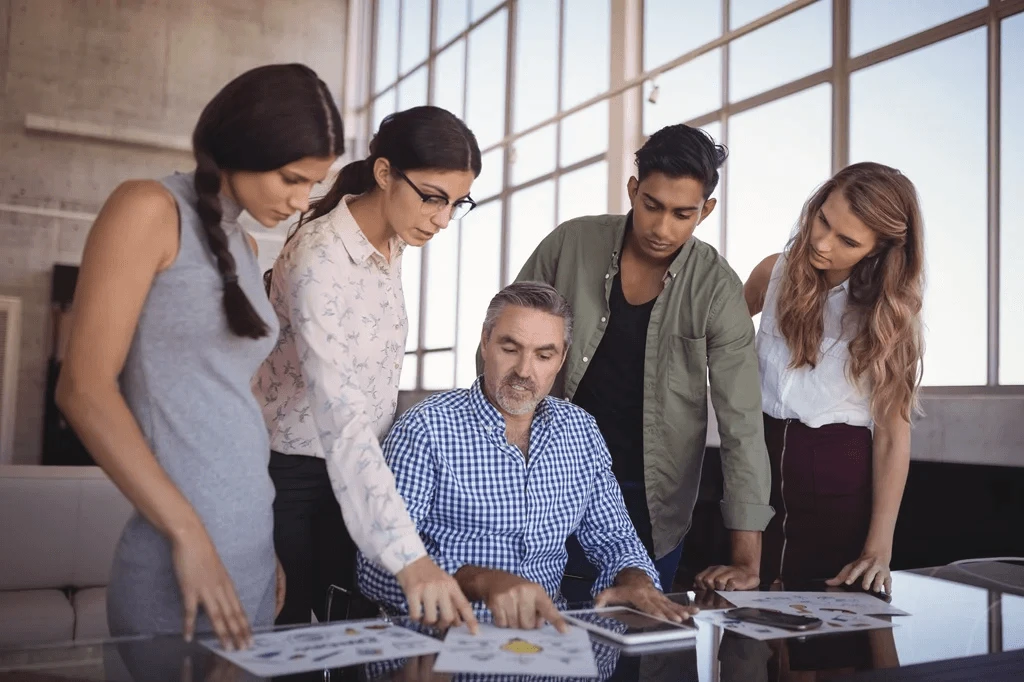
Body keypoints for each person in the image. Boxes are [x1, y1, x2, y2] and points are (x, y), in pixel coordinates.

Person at [56, 63, 344, 649]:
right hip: (182, 556)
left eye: (313, 184)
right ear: (240, 146)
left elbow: (225, 407)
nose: (300, 201)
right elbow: (82, 388)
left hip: (251, 550)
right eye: (291, 179)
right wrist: (190, 534)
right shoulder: (148, 208)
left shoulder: (238, 241)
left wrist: (259, 541)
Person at [505, 124, 774, 595]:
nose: (662, 227)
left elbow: (743, 423)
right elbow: (503, 348)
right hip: (544, 487)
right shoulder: (570, 245)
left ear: (705, 211)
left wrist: (747, 563)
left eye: (682, 213)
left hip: (653, 506)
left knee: (642, 658)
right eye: (651, 205)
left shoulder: (716, 288)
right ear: (633, 189)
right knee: (532, 650)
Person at [253, 106, 482, 631]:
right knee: (290, 643)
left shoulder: (394, 239)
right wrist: (409, 556)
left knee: (357, 633)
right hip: (288, 474)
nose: (444, 219)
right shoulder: (318, 258)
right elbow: (341, 412)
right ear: (385, 174)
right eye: (432, 196)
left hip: (356, 471)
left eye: (456, 202)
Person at [358, 282, 697, 629]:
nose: (524, 371)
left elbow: (615, 538)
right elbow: (374, 568)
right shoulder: (425, 428)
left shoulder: (579, 431)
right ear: (485, 343)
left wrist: (635, 579)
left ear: (562, 358)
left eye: (543, 355)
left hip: (549, 643)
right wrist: (475, 581)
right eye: (510, 348)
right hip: (441, 644)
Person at [743, 162, 924, 594]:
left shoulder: (889, 314)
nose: (822, 244)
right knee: (750, 635)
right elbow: (712, 337)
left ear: (880, 249)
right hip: (755, 470)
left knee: (826, 645)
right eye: (823, 220)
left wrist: (880, 547)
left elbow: (893, 435)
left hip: (838, 478)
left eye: (847, 241)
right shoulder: (772, 273)